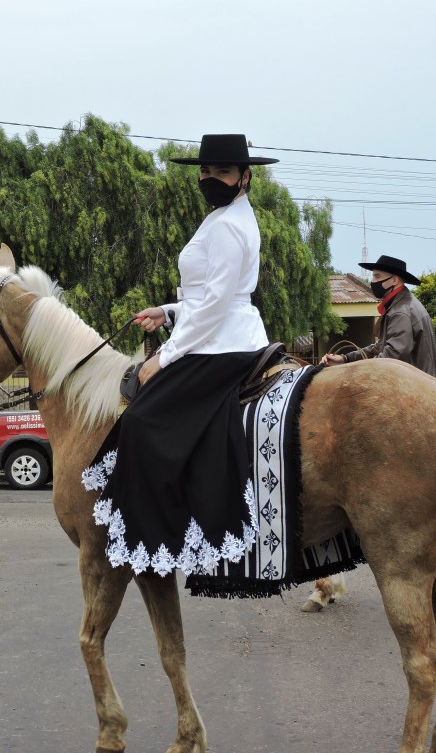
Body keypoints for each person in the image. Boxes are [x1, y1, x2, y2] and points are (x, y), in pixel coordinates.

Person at [82, 133, 277, 578]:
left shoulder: (227, 225)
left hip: (223, 343)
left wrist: (164, 358)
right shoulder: (225, 216)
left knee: (143, 420)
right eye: (206, 171)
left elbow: (215, 304)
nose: (210, 178)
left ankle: (164, 535)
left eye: (222, 171)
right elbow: (208, 295)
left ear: (245, 177)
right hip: (218, 331)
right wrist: (168, 312)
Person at [320, 254, 436, 378]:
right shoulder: (402, 304)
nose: (373, 281)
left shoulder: (400, 311)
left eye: (377, 276)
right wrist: (346, 358)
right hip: (419, 382)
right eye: (373, 276)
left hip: (417, 388)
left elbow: (392, 355)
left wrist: (351, 370)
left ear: (394, 280)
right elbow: (380, 346)